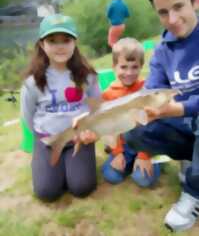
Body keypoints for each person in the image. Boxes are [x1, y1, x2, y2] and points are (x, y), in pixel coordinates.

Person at [124, 0, 199, 232]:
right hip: (185, 125)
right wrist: (148, 108)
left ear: (195, 1)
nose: (173, 18)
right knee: (134, 130)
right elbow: (151, 90)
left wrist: (177, 109)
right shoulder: (162, 51)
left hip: (191, 116)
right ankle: (192, 160)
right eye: (163, 12)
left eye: (179, 7)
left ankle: (193, 194)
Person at [20, 13, 100, 201]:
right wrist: (45, 137)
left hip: (78, 140)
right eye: (52, 41)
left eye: (66, 40)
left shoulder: (88, 76)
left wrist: (90, 132)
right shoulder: (32, 82)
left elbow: (97, 108)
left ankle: (72, 166)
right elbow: (28, 116)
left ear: (75, 42)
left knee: (82, 188)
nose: (60, 46)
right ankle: (51, 168)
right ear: (42, 44)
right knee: (47, 193)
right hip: (47, 141)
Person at [102, 38, 161, 187]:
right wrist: (117, 153)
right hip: (124, 146)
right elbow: (109, 128)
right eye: (123, 67)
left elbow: (154, 125)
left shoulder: (147, 90)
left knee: (143, 179)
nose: (129, 73)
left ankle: (153, 160)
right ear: (114, 67)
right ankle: (128, 161)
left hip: (146, 143)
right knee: (111, 175)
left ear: (141, 66)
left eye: (134, 67)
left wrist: (144, 154)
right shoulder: (108, 95)